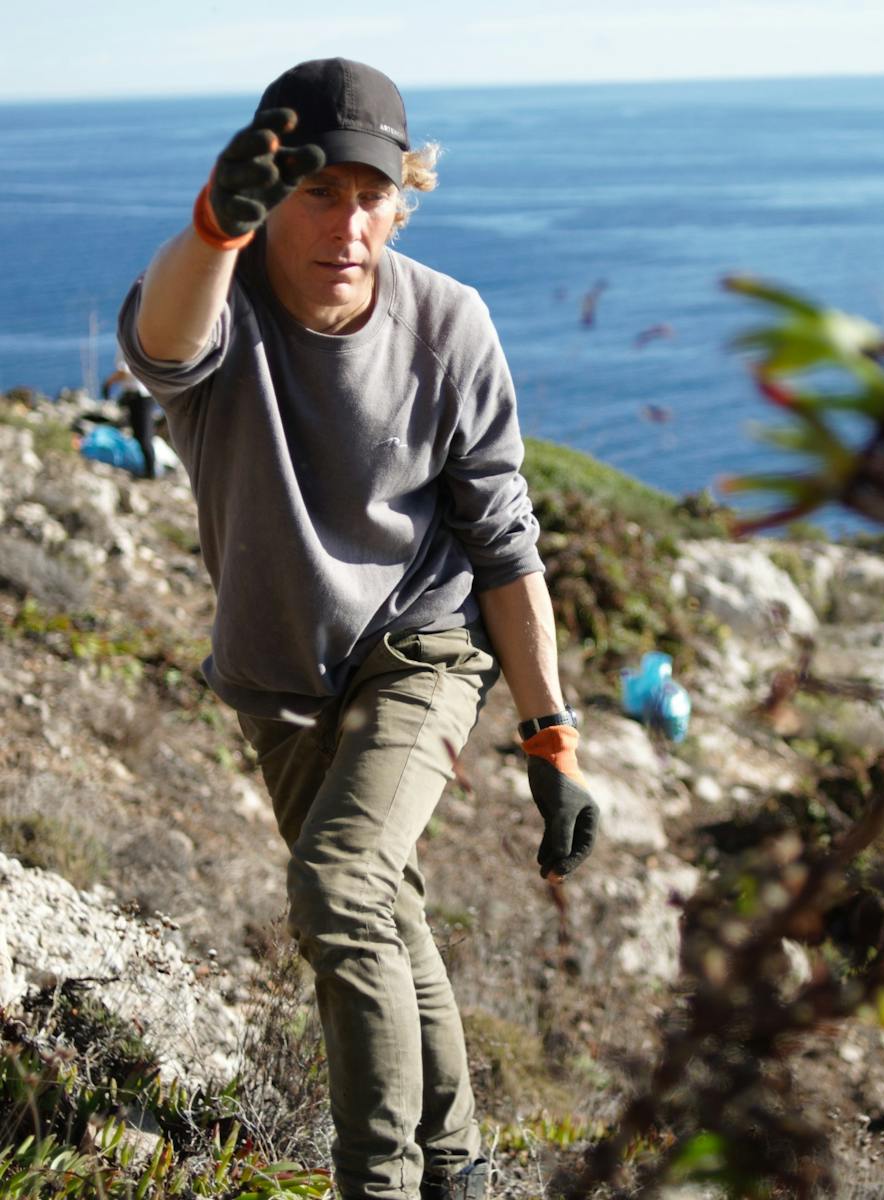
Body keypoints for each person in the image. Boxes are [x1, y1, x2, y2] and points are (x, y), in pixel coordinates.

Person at [116, 58, 599, 1200]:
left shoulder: (450, 325)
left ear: (403, 195)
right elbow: (162, 347)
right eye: (315, 193)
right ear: (270, 197)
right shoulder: (221, 303)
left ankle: (376, 1184)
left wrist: (552, 737)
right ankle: (460, 1171)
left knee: (339, 889)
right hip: (279, 671)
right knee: (379, 909)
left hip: (423, 649)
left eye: (369, 194)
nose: (346, 222)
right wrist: (209, 228)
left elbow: (507, 548)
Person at [100, 356, 163, 478]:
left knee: (144, 437)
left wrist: (108, 382)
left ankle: (150, 473)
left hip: (141, 396)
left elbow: (125, 371)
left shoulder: (127, 338)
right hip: (137, 395)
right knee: (140, 436)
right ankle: (147, 470)